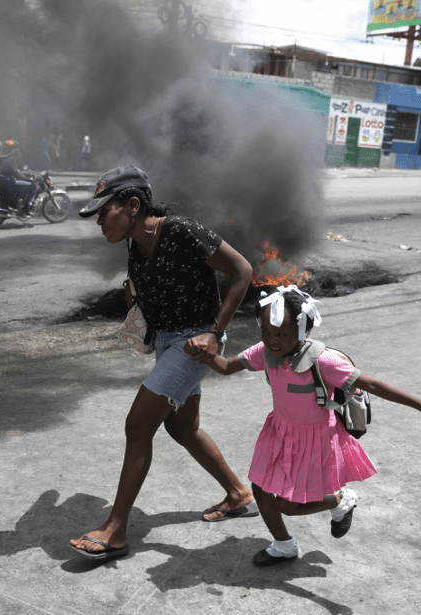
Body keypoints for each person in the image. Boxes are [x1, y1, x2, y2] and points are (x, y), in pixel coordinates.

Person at [69, 166, 256, 562]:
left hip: (193, 344)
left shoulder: (183, 231)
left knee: (138, 425)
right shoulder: (136, 243)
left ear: (133, 205)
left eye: (105, 211)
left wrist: (215, 332)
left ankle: (116, 530)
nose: (100, 220)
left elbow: (243, 271)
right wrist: (135, 298)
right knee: (182, 427)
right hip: (167, 341)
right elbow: (143, 280)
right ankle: (239, 494)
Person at [193, 285, 421, 566]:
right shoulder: (264, 352)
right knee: (261, 489)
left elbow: (372, 384)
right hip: (279, 431)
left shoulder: (324, 361)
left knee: (288, 506)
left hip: (316, 438)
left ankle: (339, 501)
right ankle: (283, 545)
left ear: (302, 331)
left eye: (281, 334)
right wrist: (201, 352)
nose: (272, 340)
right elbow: (227, 367)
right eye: (266, 332)